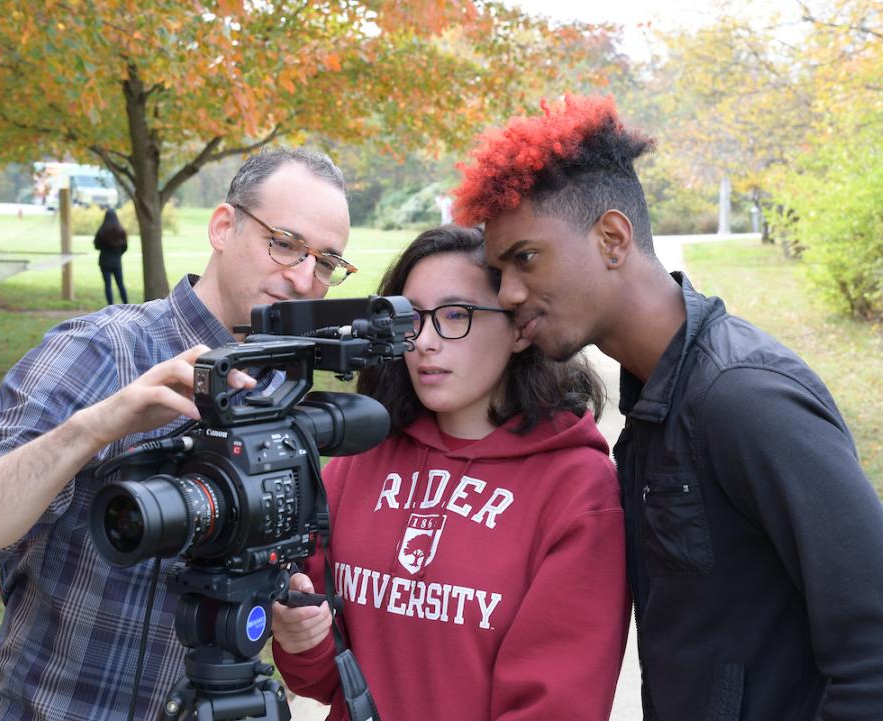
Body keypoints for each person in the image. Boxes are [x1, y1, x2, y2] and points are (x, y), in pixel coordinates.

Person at [450, 94, 883, 720]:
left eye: (525, 259)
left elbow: (873, 647)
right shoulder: (656, 396)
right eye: (498, 272)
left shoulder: (743, 398)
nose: (510, 292)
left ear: (612, 238)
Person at [0, 147, 356, 721]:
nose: (302, 278)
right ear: (224, 227)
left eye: (326, 262)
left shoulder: (283, 389)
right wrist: (99, 426)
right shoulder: (103, 351)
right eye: (286, 243)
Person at [270, 225, 630, 720]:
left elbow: (556, 706)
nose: (424, 343)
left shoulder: (577, 490)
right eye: (410, 319)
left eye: (456, 315)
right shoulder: (359, 460)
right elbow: (320, 679)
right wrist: (302, 638)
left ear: (521, 327)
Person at [94, 207, 130, 304]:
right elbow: (125, 247)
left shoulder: (102, 231)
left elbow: (96, 246)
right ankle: (126, 304)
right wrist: (118, 254)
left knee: (108, 285)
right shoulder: (121, 231)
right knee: (120, 284)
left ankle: (110, 305)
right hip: (116, 262)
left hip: (104, 261)